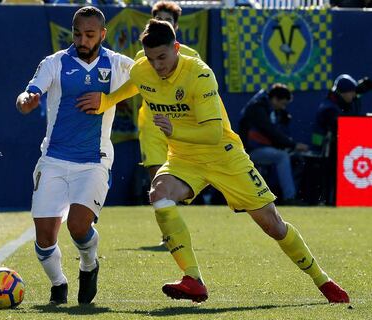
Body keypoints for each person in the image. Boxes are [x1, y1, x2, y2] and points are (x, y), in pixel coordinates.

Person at [80, 19, 350, 304]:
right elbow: (135, 83)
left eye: (162, 57)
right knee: (159, 193)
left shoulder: (199, 75)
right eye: (151, 58)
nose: (157, 65)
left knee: (273, 225)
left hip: (224, 157)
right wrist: (106, 101)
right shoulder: (143, 70)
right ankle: (193, 280)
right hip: (184, 158)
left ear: (176, 47)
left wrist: (174, 130)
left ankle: (323, 280)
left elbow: (211, 133)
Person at [15, 6, 133, 305]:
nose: (83, 40)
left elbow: (147, 79)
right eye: (78, 34)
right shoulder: (55, 62)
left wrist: (108, 99)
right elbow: (28, 93)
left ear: (103, 35)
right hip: (53, 159)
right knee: (44, 237)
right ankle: (58, 283)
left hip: (94, 160)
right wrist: (26, 101)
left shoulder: (117, 64)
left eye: (90, 35)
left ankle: (89, 265)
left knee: (78, 227)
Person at [134, 0, 200, 182]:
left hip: (181, 126)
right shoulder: (141, 57)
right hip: (152, 124)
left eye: (168, 20)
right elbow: (132, 87)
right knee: (157, 178)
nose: (162, 22)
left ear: (176, 26)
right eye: (158, 18)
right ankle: (164, 209)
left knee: (179, 181)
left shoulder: (192, 57)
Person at [238, 84, 308, 204]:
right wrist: (293, 145)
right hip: (250, 151)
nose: (283, 107)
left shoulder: (272, 110)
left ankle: (284, 194)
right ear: (275, 99)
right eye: (283, 104)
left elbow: (277, 134)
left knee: (296, 157)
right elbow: (270, 131)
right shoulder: (257, 108)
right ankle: (289, 198)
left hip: (264, 149)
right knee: (282, 157)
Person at [312, 74, 372, 204]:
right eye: (352, 93)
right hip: (324, 151)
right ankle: (328, 203)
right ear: (343, 93)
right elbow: (343, 124)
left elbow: (354, 97)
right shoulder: (328, 108)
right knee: (331, 179)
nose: (354, 95)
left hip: (338, 149)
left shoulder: (338, 99)